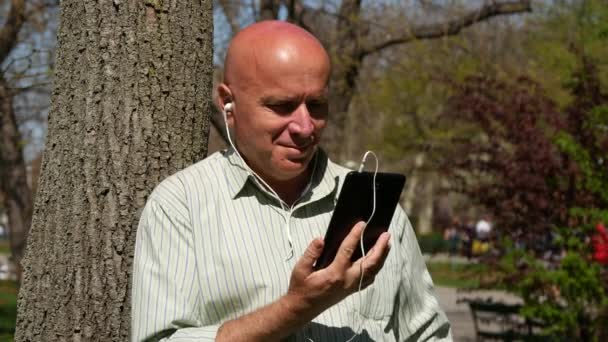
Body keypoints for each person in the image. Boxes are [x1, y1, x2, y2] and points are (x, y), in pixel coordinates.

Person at [131, 21, 451, 341]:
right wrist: (298, 307)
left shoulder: (378, 210)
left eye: (316, 105)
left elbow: (429, 334)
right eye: (281, 106)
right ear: (228, 104)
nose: (304, 126)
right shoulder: (180, 205)